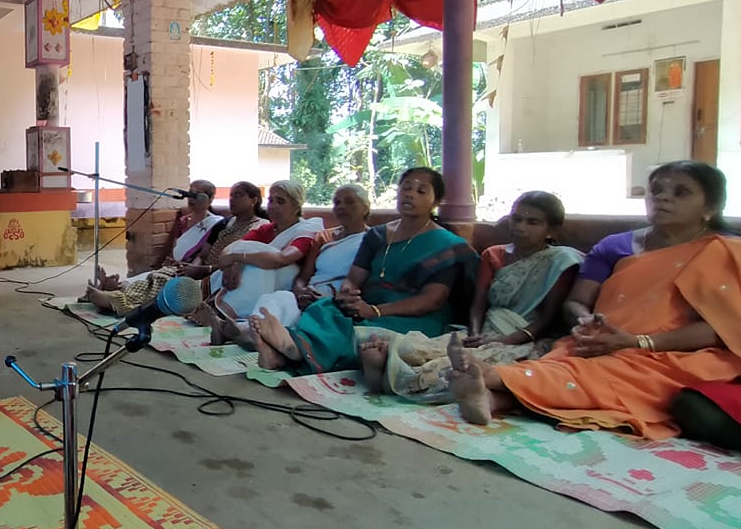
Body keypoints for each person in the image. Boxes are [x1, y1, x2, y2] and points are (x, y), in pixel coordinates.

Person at [446, 161, 741, 440]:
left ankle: (493, 378)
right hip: (603, 340)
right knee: (573, 361)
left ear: (710, 207)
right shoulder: (616, 246)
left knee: (612, 371)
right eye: (656, 190)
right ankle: (492, 397)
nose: (662, 198)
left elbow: (721, 329)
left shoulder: (726, 252)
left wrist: (637, 342)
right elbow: (575, 302)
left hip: (680, 352)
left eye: (680, 192)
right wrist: (586, 324)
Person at [250, 168, 479, 374]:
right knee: (325, 307)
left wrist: (374, 311)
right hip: (367, 306)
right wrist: (349, 296)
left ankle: (291, 349)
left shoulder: (447, 245)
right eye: (406, 188)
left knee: (359, 334)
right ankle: (282, 353)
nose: (410, 194)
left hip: (414, 315)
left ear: (435, 201)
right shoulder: (377, 235)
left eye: (421, 191)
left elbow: (431, 300)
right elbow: (353, 279)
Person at [360, 191, 583, 401]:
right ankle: (386, 369)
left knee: (455, 368)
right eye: (516, 219)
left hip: (523, 338)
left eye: (532, 222)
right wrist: (475, 334)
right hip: (484, 329)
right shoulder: (493, 254)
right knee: (410, 348)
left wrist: (504, 340)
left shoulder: (560, 261)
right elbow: (479, 303)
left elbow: (548, 318)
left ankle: (388, 380)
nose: (521, 227)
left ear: (551, 230)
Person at [85, 181, 269, 316]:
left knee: (167, 284)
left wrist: (200, 270)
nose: (232, 200)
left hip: (222, 274)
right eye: (230, 195)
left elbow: (242, 260)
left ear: (254, 200)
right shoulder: (225, 224)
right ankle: (115, 290)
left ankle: (115, 299)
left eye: (238, 195)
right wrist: (190, 269)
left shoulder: (259, 227)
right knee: (161, 274)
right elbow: (205, 254)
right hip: (203, 270)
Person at [201, 180, 323, 333]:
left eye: (281, 201)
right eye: (271, 200)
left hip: (284, 283)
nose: (273, 206)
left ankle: (231, 314)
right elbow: (229, 251)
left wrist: (237, 258)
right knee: (255, 255)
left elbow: (282, 259)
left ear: (296, 205)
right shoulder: (266, 229)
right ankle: (227, 314)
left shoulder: (305, 230)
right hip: (256, 281)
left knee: (263, 259)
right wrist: (232, 264)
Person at [89, 179, 221, 293]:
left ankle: (113, 287)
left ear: (210, 199)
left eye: (198, 195)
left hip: (186, 270)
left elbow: (202, 256)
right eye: (190, 193)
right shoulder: (183, 221)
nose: (191, 198)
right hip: (171, 267)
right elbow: (174, 247)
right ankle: (111, 286)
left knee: (151, 282)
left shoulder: (215, 224)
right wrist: (168, 261)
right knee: (147, 277)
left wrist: (190, 268)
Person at [293, 184, 373, 308]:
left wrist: (333, 299)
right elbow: (303, 278)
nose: (341, 207)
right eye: (337, 202)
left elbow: (370, 284)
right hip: (310, 294)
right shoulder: (323, 237)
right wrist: (300, 292)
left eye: (349, 202)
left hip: (340, 301)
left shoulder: (374, 239)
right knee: (276, 300)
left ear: (365, 208)